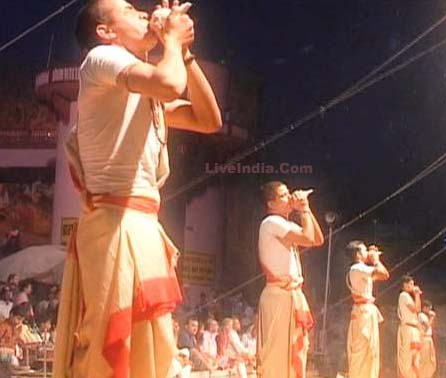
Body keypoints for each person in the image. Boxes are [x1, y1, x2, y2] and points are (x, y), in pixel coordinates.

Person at [53, 0, 222, 376]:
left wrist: (185, 54)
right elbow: (169, 83)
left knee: (153, 345)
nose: (144, 14)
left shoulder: (141, 89)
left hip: (140, 223)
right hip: (115, 223)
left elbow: (209, 119)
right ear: (106, 31)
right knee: (108, 347)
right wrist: (172, 43)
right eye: (130, 10)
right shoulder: (101, 58)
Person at [256, 181, 324, 378]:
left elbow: (318, 240)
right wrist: (302, 209)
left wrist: (307, 209)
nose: (290, 198)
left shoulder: (285, 224)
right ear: (271, 204)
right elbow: (308, 237)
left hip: (290, 295)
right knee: (277, 358)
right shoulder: (271, 223)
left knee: (295, 354)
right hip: (278, 296)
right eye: (284, 195)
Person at [345, 241, 390, 378]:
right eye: (364, 250)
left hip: (365, 312)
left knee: (370, 352)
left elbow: (380, 275)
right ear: (358, 254)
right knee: (361, 351)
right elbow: (384, 273)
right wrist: (376, 260)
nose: (367, 253)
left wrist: (374, 258)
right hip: (362, 313)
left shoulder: (361, 270)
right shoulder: (357, 268)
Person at [397, 275, 422, 378]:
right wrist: (416, 294)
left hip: (413, 329)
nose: (413, 286)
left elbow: (418, 309)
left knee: (415, 358)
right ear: (405, 285)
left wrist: (417, 295)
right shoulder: (404, 295)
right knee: (407, 358)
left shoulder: (409, 297)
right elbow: (415, 309)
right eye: (411, 284)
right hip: (408, 329)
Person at [417, 300, 436, 378]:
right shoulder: (421, 315)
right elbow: (426, 326)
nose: (429, 310)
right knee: (424, 360)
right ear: (424, 308)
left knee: (430, 360)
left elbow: (430, 327)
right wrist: (432, 317)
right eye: (428, 308)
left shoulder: (426, 317)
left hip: (429, 339)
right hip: (424, 339)